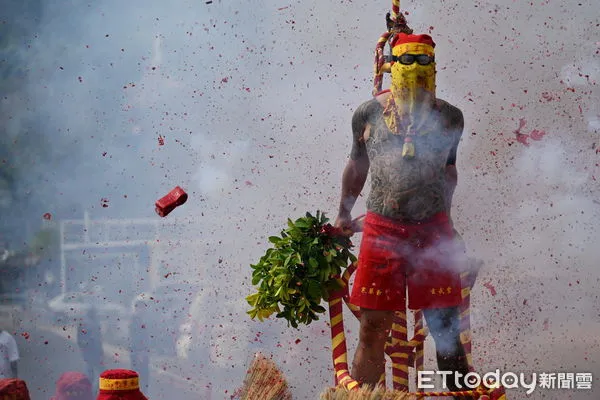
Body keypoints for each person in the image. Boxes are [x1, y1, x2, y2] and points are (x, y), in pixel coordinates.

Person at [334, 28, 471, 397]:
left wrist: (449, 221)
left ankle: (459, 394)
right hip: (382, 231)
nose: (416, 70)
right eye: (407, 61)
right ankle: (362, 396)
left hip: (433, 232)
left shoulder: (452, 118)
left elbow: (448, 172)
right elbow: (356, 166)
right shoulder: (368, 113)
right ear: (393, 66)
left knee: (445, 329)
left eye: (425, 62)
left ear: (435, 69)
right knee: (373, 329)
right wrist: (344, 214)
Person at [76, 306, 104, 388]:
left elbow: (98, 339)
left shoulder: (93, 323)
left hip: (92, 352)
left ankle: (90, 391)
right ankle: (89, 391)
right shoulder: (87, 324)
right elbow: (81, 339)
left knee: (93, 372)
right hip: (90, 352)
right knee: (92, 373)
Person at [128, 296, 150, 393]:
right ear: (137, 308)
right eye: (142, 307)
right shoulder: (135, 320)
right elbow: (136, 337)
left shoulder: (139, 319)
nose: (144, 310)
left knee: (142, 376)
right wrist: (140, 352)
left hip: (140, 351)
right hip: (138, 352)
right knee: (141, 375)